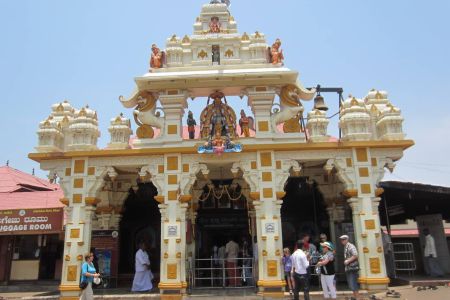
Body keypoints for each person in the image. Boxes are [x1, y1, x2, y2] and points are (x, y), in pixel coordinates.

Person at [340, 235, 360, 300]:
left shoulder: (351, 246)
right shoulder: (346, 247)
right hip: (349, 268)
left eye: (343, 239)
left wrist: (348, 260)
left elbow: (355, 255)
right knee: (351, 283)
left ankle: (357, 297)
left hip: (352, 267)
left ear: (347, 239)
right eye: (341, 240)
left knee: (353, 282)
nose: (342, 241)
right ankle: (355, 297)